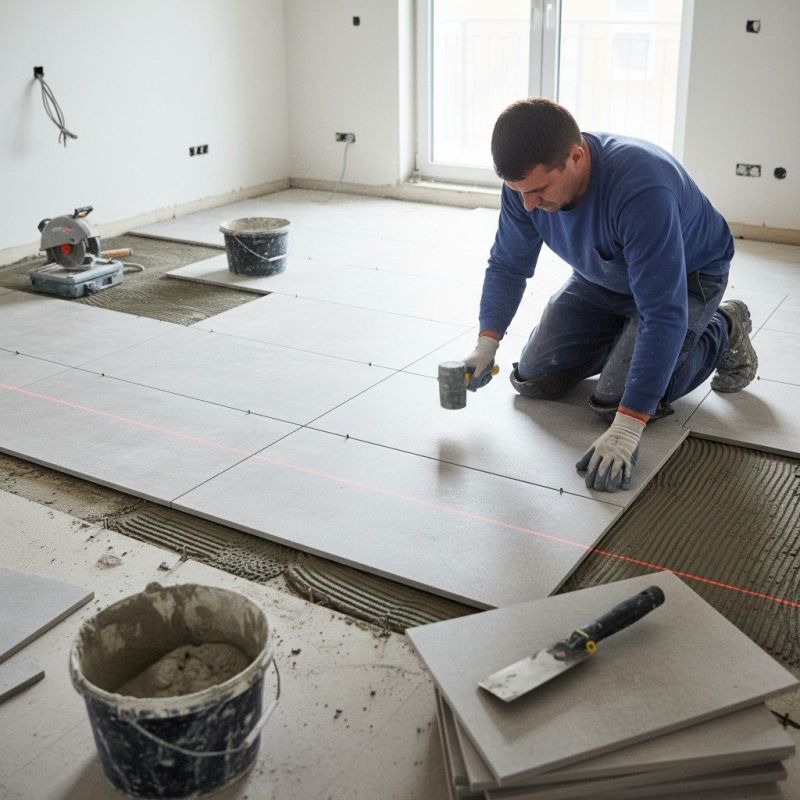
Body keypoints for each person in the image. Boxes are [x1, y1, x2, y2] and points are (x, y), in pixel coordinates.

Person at [463, 98, 757, 493]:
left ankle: (723, 327)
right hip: (604, 275)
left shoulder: (640, 187)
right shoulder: (524, 190)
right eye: (519, 192)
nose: (529, 205)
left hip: (687, 277)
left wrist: (628, 426)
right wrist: (487, 342)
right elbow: (507, 265)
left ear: (576, 156)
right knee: (534, 379)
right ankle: (627, 339)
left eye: (538, 190)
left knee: (615, 400)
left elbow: (662, 311)